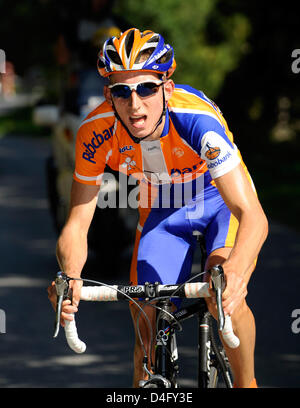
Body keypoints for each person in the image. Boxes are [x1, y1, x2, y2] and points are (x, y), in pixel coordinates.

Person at [48, 28, 268, 388]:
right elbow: (77, 221)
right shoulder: (95, 131)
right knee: (146, 320)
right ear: (108, 95)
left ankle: (247, 383)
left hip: (219, 201)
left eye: (146, 88)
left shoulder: (196, 122)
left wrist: (236, 276)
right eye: (121, 91)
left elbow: (253, 216)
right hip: (162, 208)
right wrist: (70, 277)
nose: (134, 104)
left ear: (167, 87)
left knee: (222, 294)